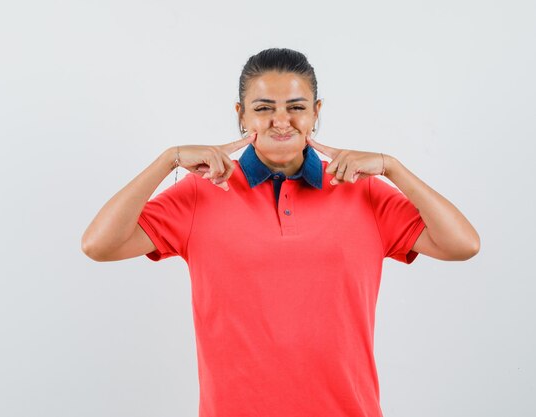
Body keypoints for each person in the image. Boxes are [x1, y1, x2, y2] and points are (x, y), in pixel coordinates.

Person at [81, 48, 480, 417]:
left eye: (296, 107)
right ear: (241, 114)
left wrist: (393, 167)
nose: (280, 120)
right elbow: (100, 245)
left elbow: (462, 244)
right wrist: (168, 160)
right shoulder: (203, 192)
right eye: (263, 107)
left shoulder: (362, 192)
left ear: (315, 111)